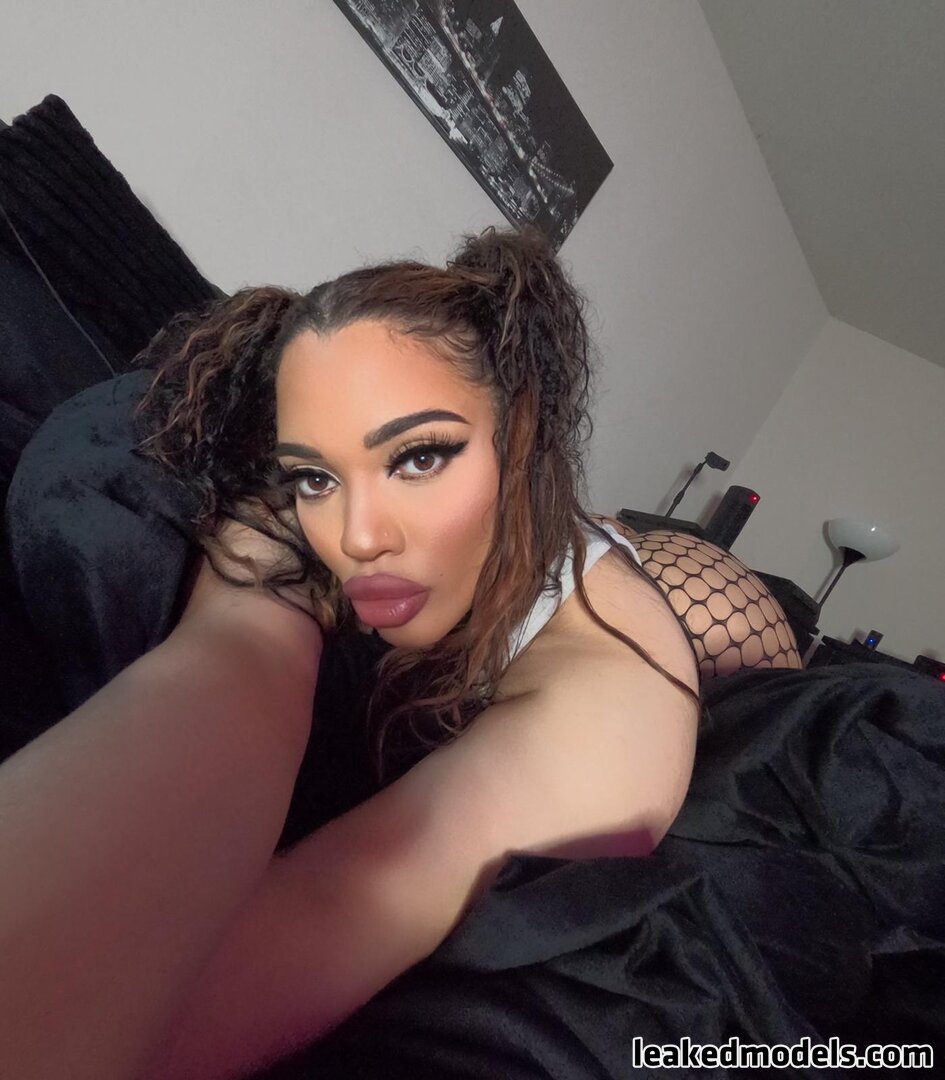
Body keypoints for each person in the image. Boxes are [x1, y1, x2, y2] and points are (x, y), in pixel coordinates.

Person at [0, 226, 797, 1080]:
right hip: (538, 533)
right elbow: (228, 668)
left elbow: (319, 922)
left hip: (697, 594)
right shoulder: (330, 506)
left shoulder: (607, 703)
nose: (357, 538)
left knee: (761, 653)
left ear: (520, 433)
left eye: (419, 456)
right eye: (315, 477)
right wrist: (258, 606)